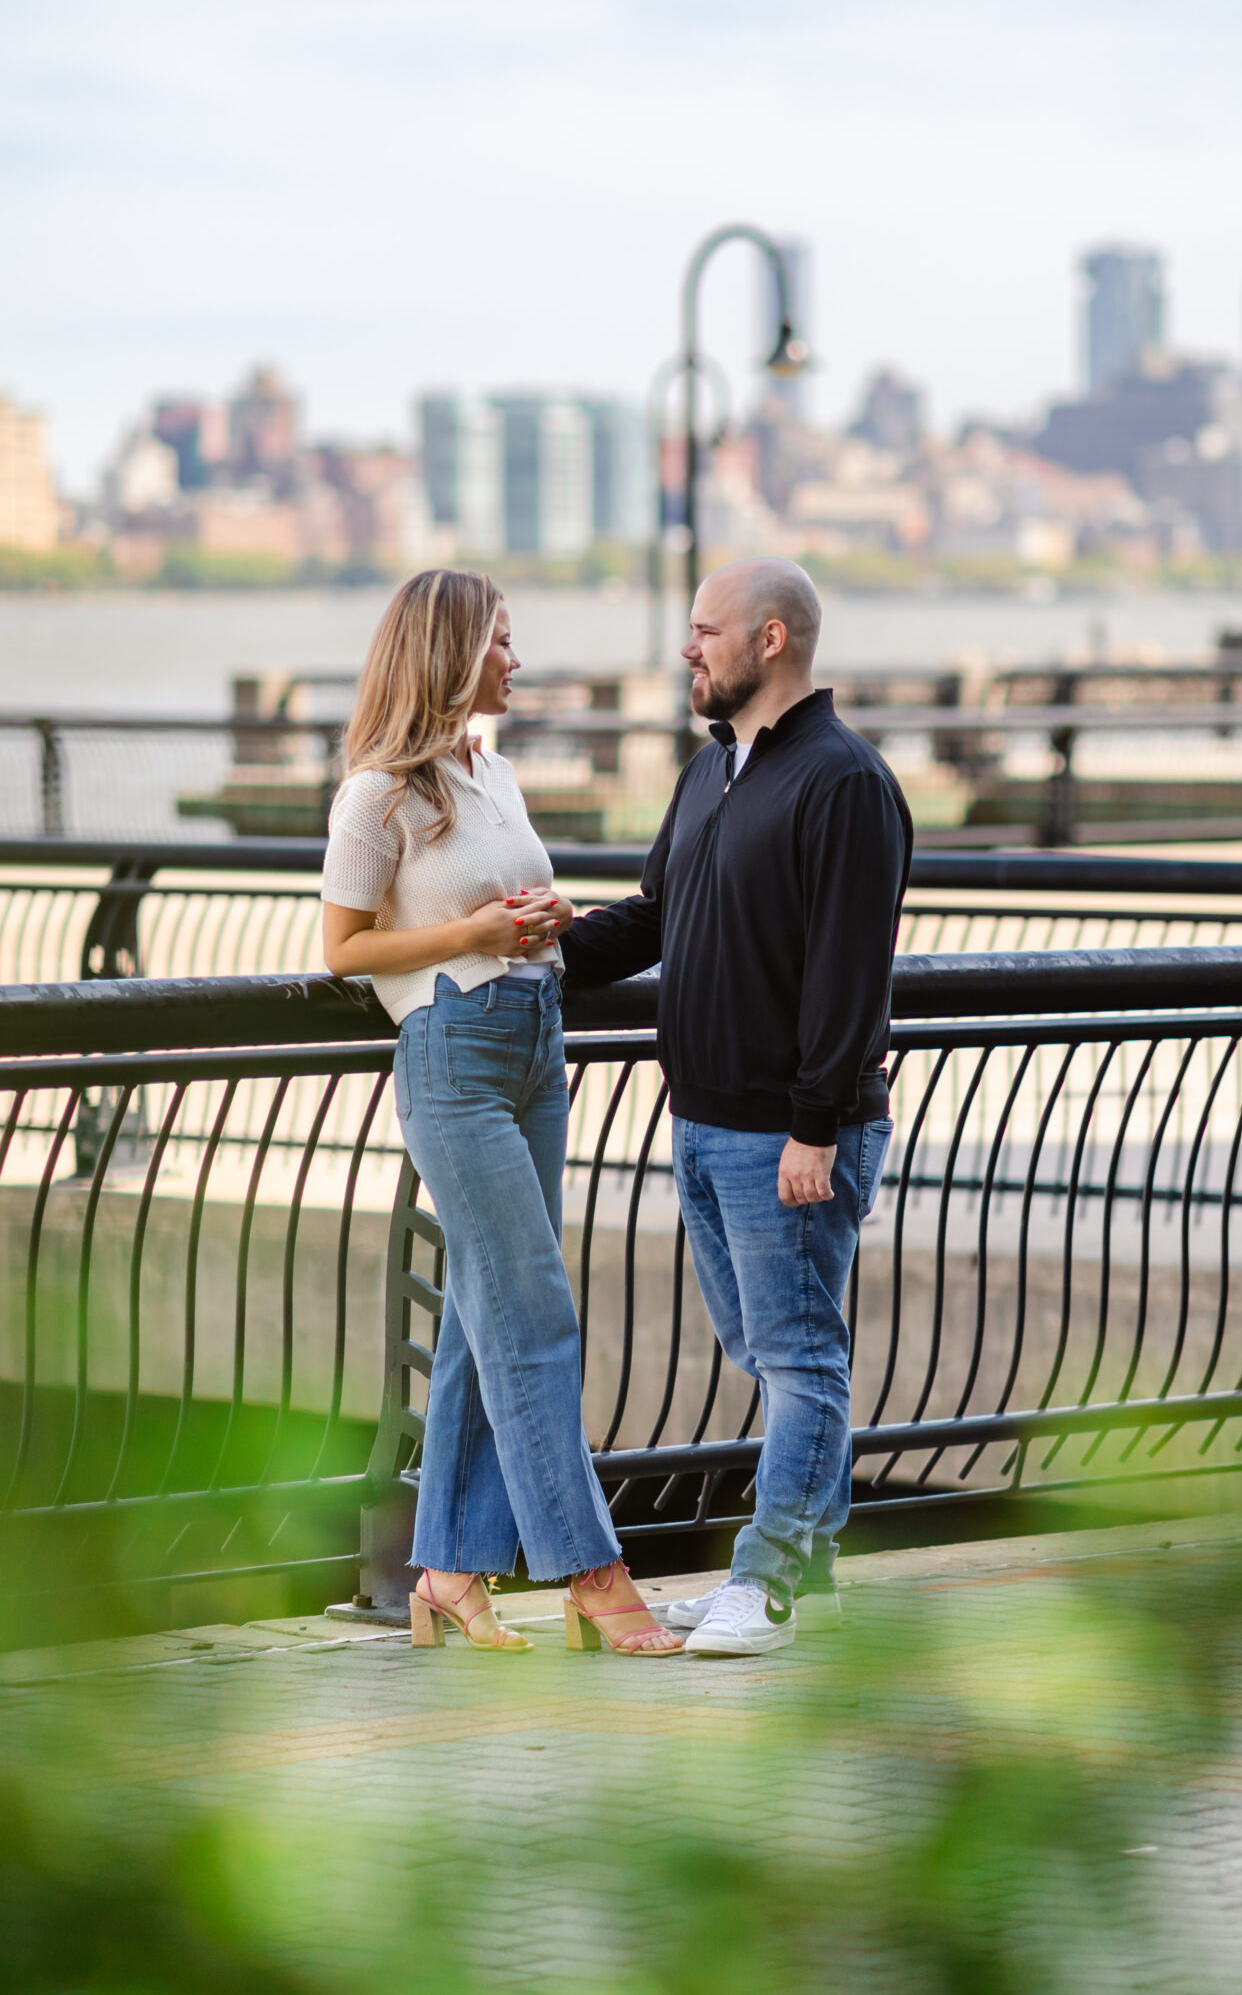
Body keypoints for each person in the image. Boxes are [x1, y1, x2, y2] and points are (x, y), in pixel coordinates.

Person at [321, 569, 681, 1658]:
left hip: (537, 1043)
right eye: (501, 643)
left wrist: (547, 919)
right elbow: (344, 949)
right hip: (453, 1054)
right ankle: (593, 1570)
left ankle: (445, 1570)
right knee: (532, 1313)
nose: (516, 662)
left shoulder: (496, 772)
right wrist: (471, 936)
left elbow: (516, 916)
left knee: (489, 1315)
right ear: (449, 651)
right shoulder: (374, 793)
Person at [560, 558, 912, 1656]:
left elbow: (850, 975)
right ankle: (817, 1575)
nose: (687, 649)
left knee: (802, 1358)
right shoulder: (712, 772)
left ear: (770, 639)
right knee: (773, 1353)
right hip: (704, 1120)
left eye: (704, 630)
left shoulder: (844, 781)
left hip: (789, 1133)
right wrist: (532, 952)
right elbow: (659, 915)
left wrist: (815, 1126)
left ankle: (761, 1583)